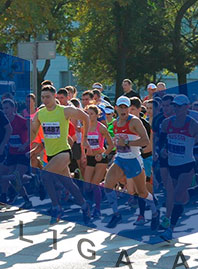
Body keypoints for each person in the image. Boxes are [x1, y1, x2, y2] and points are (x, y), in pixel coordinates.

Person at [31, 85, 91, 225]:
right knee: (68, 183)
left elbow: (86, 117)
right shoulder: (41, 114)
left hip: (64, 152)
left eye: (48, 97)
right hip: (50, 154)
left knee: (45, 175)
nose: (45, 100)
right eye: (43, 97)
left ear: (55, 96)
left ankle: (56, 207)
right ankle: (84, 206)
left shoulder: (65, 111)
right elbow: (33, 132)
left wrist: (85, 138)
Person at [158, 95, 198, 241]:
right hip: (172, 164)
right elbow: (161, 141)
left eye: (179, 106)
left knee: (178, 196)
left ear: (186, 107)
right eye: (174, 106)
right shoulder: (167, 123)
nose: (176, 109)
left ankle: (170, 229)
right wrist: (162, 150)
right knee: (173, 194)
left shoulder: (193, 124)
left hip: (187, 165)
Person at [102, 96, 155, 229]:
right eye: (121, 107)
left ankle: (155, 211)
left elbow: (146, 141)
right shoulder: (114, 124)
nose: (123, 110)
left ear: (130, 108)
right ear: (116, 108)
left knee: (142, 192)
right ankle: (116, 214)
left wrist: (127, 142)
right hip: (120, 159)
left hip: (134, 160)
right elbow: (117, 143)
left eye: (126, 107)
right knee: (108, 184)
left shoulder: (135, 122)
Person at [82, 105, 114, 219]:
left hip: (101, 158)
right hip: (90, 158)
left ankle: (97, 208)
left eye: (91, 114)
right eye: (87, 114)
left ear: (97, 115)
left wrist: (103, 154)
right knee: (87, 185)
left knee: (94, 184)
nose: (89, 116)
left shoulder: (101, 127)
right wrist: (85, 152)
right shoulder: (85, 127)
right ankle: (98, 193)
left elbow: (111, 145)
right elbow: (83, 143)